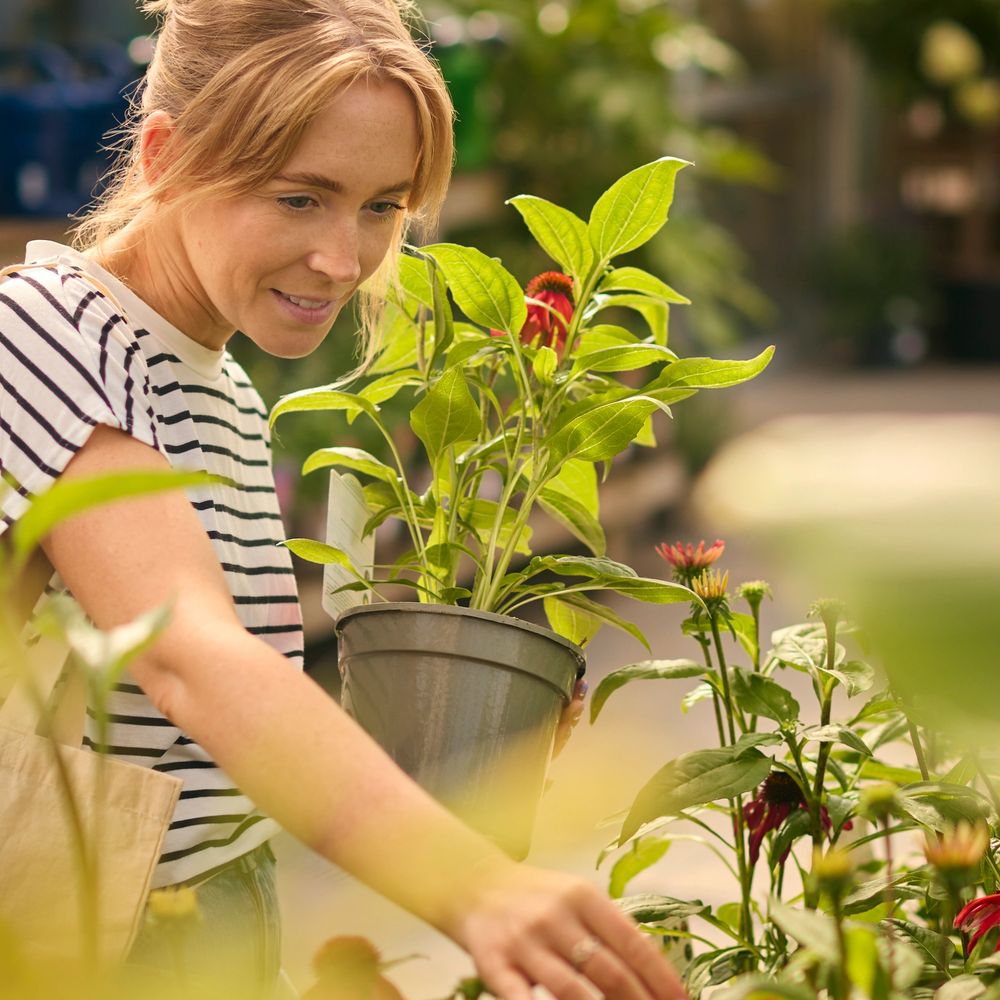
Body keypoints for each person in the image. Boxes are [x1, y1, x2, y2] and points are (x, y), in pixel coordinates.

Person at [0, 1, 688, 997]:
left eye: (379, 206)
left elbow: (205, 754)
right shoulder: (45, 335)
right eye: (298, 198)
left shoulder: (214, 383)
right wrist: (472, 882)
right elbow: (189, 656)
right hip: (94, 932)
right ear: (164, 157)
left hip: (211, 915)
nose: (342, 257)